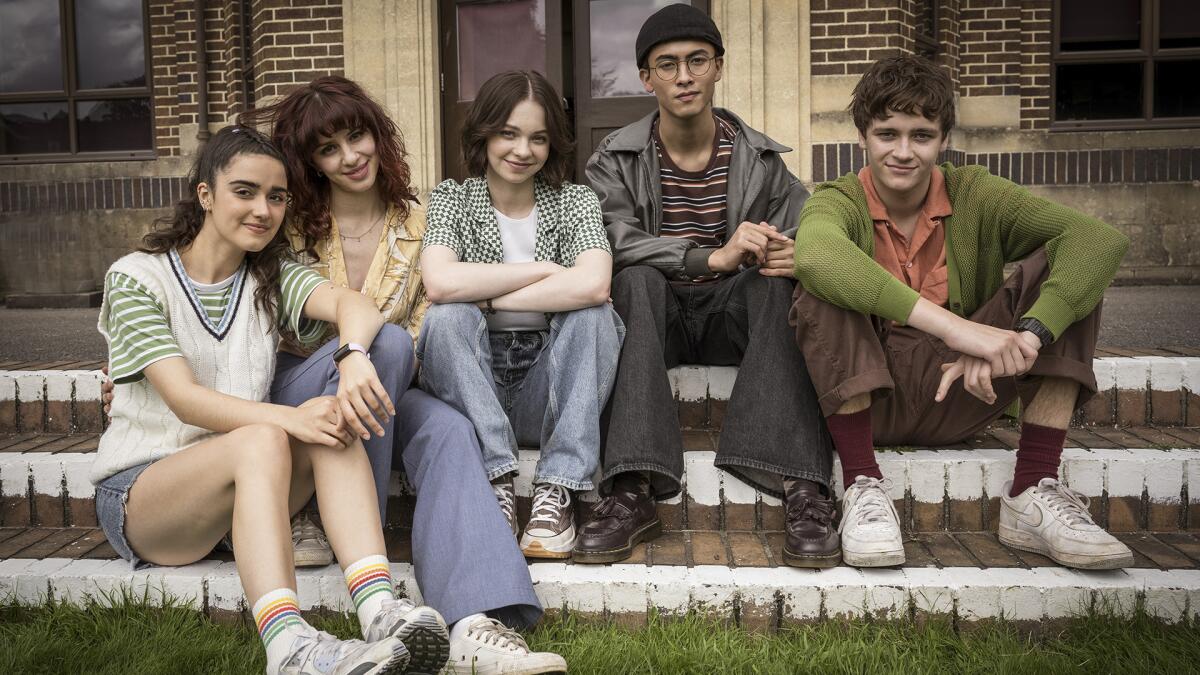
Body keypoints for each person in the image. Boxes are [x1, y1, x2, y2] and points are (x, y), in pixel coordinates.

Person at [238, 76, 566, 674]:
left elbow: (424, 329)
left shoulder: (422, 222)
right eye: (328, 148)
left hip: (391, 383)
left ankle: (475, 620)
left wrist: (376, 355)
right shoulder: (287, 223)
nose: (350, 156)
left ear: (377, 134)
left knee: (447, 430)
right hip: (299, 390)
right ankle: (326, 512)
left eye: (356, 135)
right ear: (308, 162)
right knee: (382, 342)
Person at [91, 125, 445, 675]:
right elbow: (185, 400)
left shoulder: (268, 277)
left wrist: (351, 358)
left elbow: (356, 304)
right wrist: (288, 417)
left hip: (238, 497)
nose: (263, 209)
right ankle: (290, 648)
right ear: (205, 195)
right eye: (245, 191)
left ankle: (379, 609)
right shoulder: (137, 278)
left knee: (332, 417)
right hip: (146, 498)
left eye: (276, 197)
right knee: (273, 433)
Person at [790, 54, 1134, 569]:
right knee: (822, 284)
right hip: (867, 397)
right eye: (888, 133)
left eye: (921, 135)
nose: (903, 152)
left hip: (964, 392)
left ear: (943, 139)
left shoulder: (975, 193)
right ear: (862, 135)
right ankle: (862, 483)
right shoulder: (837, 200)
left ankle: (1031, 488)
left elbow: (1097, 237)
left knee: (1071, 272)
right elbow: (815, 255)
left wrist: (1024, 339)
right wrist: (963, 331)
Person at [577, 3, 835, 568]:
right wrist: (706, 257)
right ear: (646, 78)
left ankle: (800, 487)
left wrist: (796, 250)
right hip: (654, 319)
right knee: (636, 279)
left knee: (775, 282)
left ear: (719, 66)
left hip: (730, 315)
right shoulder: (612, 160)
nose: (684, 76)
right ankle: (631, 487)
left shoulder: (763, 160)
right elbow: (608, 237)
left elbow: (816, 224)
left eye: (697, 60)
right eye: (667, 65)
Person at [418, 70, 624, 562]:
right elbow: (441, 284)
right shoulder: (453, 198)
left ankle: (557, 490)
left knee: (595, 316)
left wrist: (486, 295)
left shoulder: (574, 200)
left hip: (547, 387)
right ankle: (497, 482)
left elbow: (594, 284)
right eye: (508, 133)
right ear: (484, 133)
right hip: (474, 385)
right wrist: (543, 273)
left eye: (538, 137)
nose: (522, 150)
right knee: (446, 319)